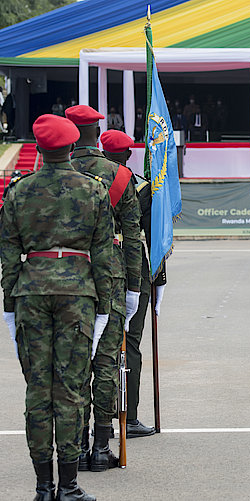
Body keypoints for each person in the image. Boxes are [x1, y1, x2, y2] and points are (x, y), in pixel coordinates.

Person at [1, 114, 114, 501]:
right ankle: (68, 485)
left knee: (38, 390)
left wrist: (8, 304)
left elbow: (8, 253)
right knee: (69, 390)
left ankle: (43, 487)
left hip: (30, 292)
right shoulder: (94, 191)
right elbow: (103, 254)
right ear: (70, 146)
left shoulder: (19, 191)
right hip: (78, 295)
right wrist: (106, 304)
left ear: (41, 148)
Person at [65, 105, 142, 472]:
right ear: (98, 131)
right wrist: (133, 288)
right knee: (107, 363)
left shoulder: (56, 172)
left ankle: (77, 446)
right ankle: (100, 447)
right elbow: (131, 238)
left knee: (75, 363)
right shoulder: (120, 175)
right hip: (109, 279)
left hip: (68, 278)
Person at [100, 129, 166, 438]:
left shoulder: (89, 178)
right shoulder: (140, 186)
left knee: (99, 345)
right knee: (132, 343)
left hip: (92, 267)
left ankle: (99, 421)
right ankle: (130, 414)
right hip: (132, 272)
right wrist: (160, 278)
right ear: (128, 154)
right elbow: (152, 238)